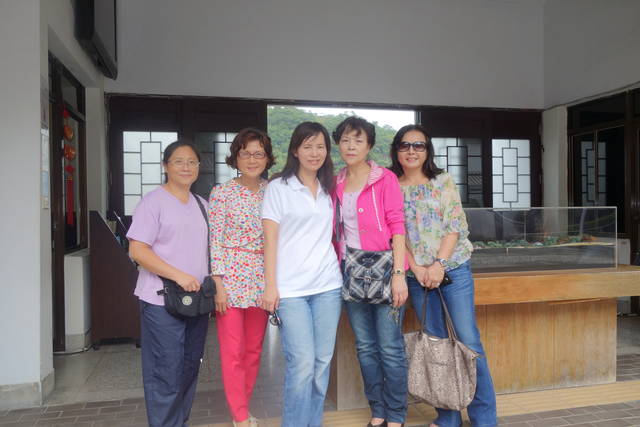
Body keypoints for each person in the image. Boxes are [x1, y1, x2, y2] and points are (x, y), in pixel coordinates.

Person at [390, 124, 497, 427]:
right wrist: (415, 268)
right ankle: (448, 416)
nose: (412, 151)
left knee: (468, 341)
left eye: (419, 145)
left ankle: (484, 418)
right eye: (405, 145)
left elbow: (455, 225)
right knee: (435, 343)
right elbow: (395, 233)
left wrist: (438, 264)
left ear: (428, 151)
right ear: (396, 150)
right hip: (417, 276)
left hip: (453, 269)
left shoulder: (443, 180)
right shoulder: (391, 185)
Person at [261, 122, 343, 427]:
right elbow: (269, 241)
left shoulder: (329, 188)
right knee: (302, 363)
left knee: (321, 363)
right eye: (307, 146)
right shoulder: (279, 187)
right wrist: (271, 286)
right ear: (295, 150)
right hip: (291, 291)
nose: (314, 153)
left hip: (328, 286)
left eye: (320, 146)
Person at [127, 139, 209, 427]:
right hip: (160, 300)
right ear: (165, 166)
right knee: (165, 371)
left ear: (198, 167)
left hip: (196, 301)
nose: (186, 167)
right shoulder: (153, 202)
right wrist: (178, 275)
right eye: (179, 161)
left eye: (192, 162)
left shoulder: (202, 205)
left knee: (188, 367)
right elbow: (137, 250)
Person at [333, 116, 408, 427]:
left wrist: (399, 274)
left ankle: (397, 414)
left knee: (390, 347)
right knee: (365, 347)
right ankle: (377, 411)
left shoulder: (384, 178)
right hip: (351, 271)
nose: (351, 146)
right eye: (345, 140)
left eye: (358, 140)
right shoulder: (335, 182)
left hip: (385, 269)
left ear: (369, 146)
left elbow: (398, 225)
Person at [208, 128, 275, 427]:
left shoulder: (274, 191)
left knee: (254, 349)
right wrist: (218, 284)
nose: (252, 159)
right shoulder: (221, 193)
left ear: (267, 158)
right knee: (232, 350)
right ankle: (239, 415)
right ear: (236, 157)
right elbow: (214, 240)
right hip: (231, 278)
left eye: (258, 153)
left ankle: (243, 407)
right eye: (245, 153)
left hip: (262, 277)